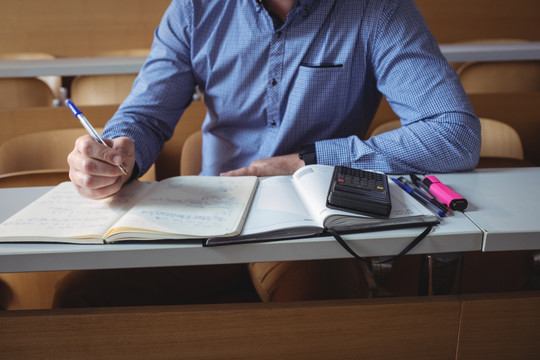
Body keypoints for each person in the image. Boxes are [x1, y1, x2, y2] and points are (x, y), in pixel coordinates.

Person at [53, 0, 480, 307]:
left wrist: (305, 161)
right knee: (79, 296)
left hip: (309, 219)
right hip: (210, 213)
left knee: (316, 304)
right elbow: (145, 116)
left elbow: (454, 132)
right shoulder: (194, 8)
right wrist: (118, 151)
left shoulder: (377, 9)